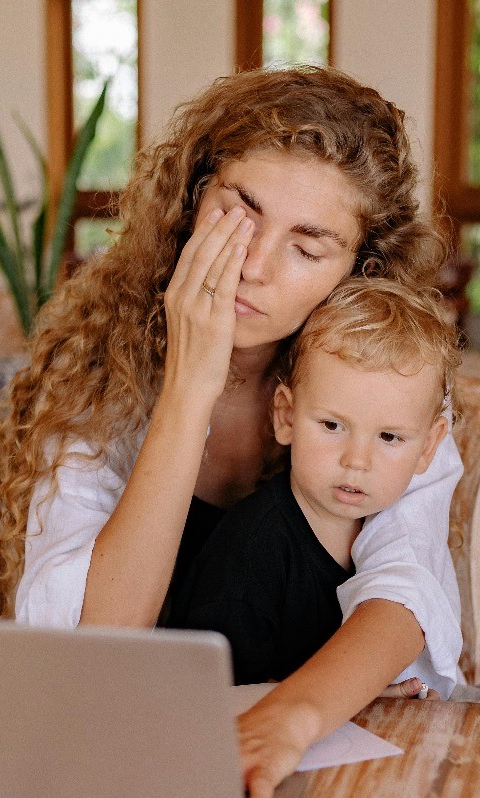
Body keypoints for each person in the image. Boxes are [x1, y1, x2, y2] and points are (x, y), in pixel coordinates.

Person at [0, 66, 461, 798]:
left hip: (314, 741)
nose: (252, 265)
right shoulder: (89, 371)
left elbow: (405, 592)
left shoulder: (381, 387)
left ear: (357, 271)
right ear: (191, 201)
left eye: (308, 248)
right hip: (128, 753)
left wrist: (291, 721)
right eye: (238, 215)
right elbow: (90, 642)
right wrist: (189, 383)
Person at [163, 278, 459, 689]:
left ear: (428, 447)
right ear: (286, 417)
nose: (357, 460)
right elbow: (213, 702)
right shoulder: (250, 557)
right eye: (332, 425)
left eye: (389, 437)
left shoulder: (388, 534)